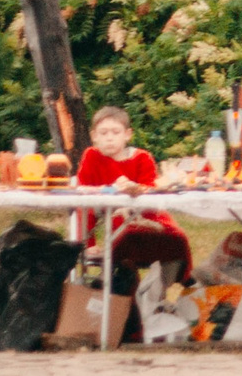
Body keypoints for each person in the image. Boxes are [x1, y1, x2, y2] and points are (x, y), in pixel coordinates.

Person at [75, 107, 192, 341]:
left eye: (115, 132)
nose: (109, 138)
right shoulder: (91, 157)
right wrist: (88, 242)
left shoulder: (142, 158)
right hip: (122, 228)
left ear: (127, 134)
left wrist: (134, 189)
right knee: (125, 247)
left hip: (150, 220)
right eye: (103, 133)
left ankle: (161, 299)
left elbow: (151, 194)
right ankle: (129, 315)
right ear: (94, 136)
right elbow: (83, 199)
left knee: (178, 242)